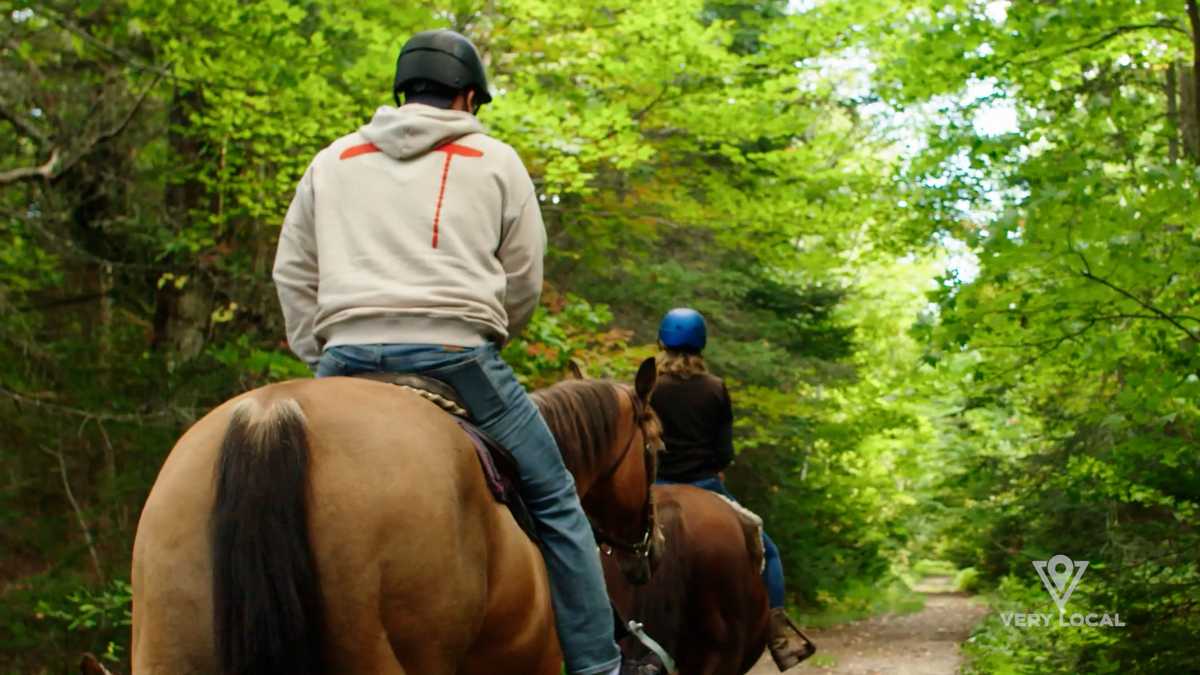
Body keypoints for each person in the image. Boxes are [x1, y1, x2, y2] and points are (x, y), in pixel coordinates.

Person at [272, 29, 658, 675]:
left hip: (344, 360)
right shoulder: (496, 159)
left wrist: (321, 350)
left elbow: (292, 272)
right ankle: (598, 664)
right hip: (457, 358)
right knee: (557, 498)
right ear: (467, 97)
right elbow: (523, 276)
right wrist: (492, 326)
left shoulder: (331, 160)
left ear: (403, 92)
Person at [649, 307, 815, 670]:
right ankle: (778, 633)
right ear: (702, 344)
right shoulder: (714, 388)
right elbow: (724, 452)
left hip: (655, 486)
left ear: (661, 341)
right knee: (768, 552)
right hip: (707, 485)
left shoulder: (647, 386)